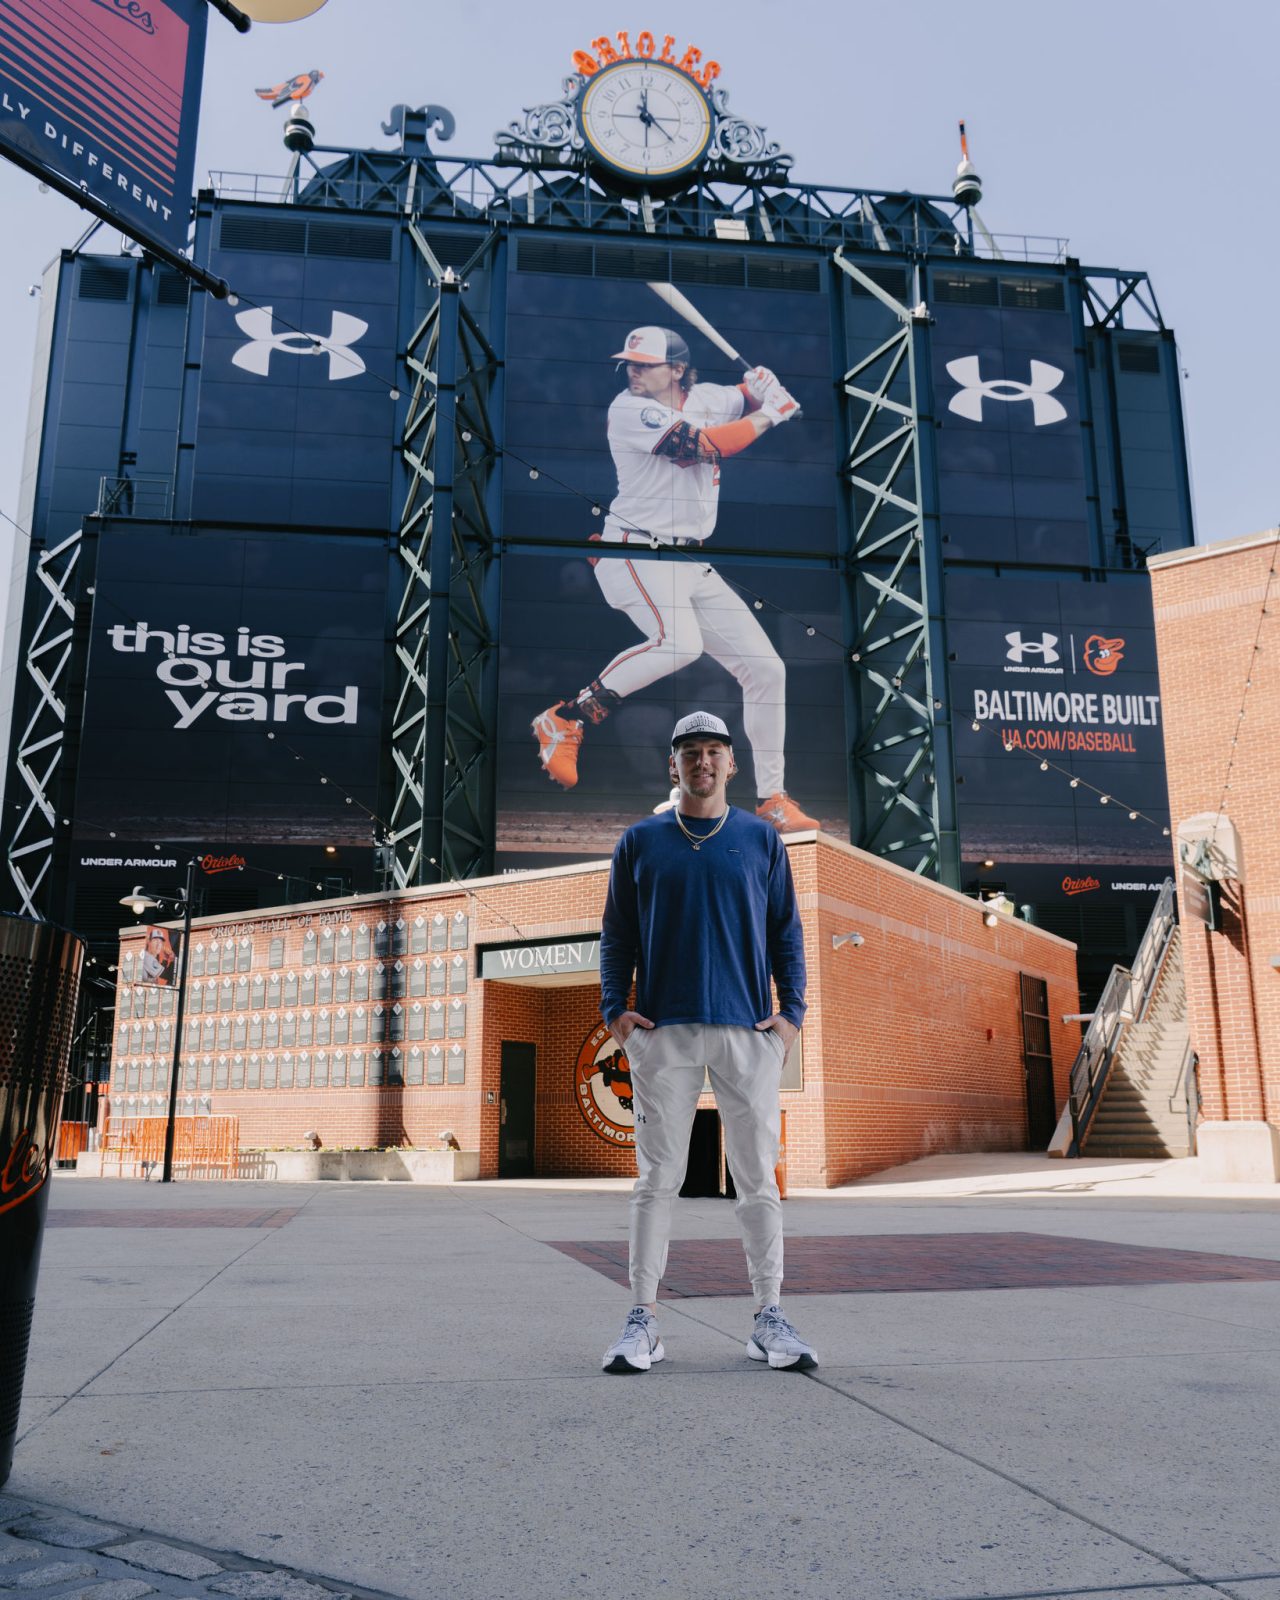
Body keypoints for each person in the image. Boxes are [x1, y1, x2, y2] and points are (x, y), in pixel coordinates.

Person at [532, 325, 820, 835]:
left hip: (689, 561)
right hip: (636, 550)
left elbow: (739, 395)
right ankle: (566, 717)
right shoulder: (627, 409)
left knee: (767, 669)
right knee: (680, 643)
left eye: (645, 364)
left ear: (679, 370)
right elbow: (708, 444)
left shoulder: (708, 396)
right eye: (630, 363)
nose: (633, 372)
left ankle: (772, 798)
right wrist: (770, 412)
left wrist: (761, 385)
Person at [597, 709, 817, 1374]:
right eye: (689, 752)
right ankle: (643, 1322)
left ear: (731, 763)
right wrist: (616, 1009)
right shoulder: (640, 842)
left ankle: (769, 1318)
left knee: (757, 1183)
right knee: (657, 1180)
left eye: (714, 751)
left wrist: (793, 1013)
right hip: (664, 1031)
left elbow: (787, 930)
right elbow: (617, 936)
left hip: (747, 1029)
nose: (702, 762)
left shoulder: (759, 839)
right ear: (674, 764)